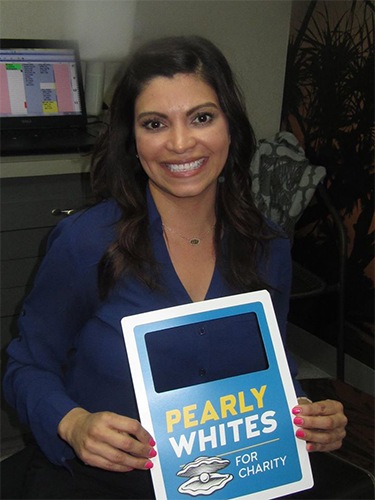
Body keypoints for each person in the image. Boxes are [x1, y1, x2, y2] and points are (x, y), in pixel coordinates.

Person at [3, 36, 347, 499]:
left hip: (235, 477)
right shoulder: (86, 242)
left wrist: (304, 410)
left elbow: (273, 361)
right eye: (155, 123)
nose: (181, 143)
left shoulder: (267, 244)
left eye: (202, 117)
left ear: (230, 126)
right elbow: (26, 366)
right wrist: (75, 423)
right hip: (107, 480)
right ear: (133, 138)